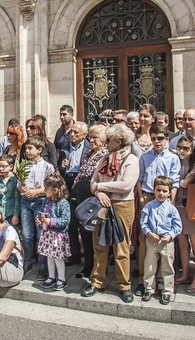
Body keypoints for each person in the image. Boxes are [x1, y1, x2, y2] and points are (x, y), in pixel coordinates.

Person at [81, 124, 139, 303]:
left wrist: (100, 187)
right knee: (99, 244)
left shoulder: (131, 159)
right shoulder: (105, 157)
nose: (106, 143)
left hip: (122, 204)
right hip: (102, 204)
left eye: (109, 140)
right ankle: (97, 280)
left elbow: (125, 185)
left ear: (119, 142)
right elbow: (93, 180)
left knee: (121, 246)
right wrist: (98, 192)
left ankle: (124, 284)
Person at [134, 123, 180, 296]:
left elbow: (174, 181)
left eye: (160, 138)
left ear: (166, 139)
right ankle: (143, 279)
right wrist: (141, 197)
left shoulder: (173, 158)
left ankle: (161, 279)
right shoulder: (145, 157)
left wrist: (171, 200)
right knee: (145, 238)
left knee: (163, 239)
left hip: (165, 198)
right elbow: (140, 178)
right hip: (148, 196)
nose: (156, 142)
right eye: (153, 138)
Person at [72, 124, 108, 279]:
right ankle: (88, 265)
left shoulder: (105, 155)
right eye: (90, 137)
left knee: (96, 234)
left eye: (95, 137)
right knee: (84, 233)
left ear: (104, 139)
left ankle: (99, 269)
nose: (92, 140)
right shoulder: (87, 154)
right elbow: (81, 173)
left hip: (96, 197)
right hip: (83, 197)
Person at [140, 176, 182, 304]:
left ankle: (167, 290)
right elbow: (143, 222)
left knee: (167, 266)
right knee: (150, 265)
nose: (161, 193)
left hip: (166, 241)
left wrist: (170, 235)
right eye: (158, 190)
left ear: (169, 192)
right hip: (152, 240)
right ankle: (149, 288)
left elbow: (178, 226)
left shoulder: (171, 209)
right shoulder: (149, 206)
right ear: (154, 190)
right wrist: (149, 233)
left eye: (164, 191)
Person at [19, 136, 55, 280]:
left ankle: (42, 266)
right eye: (26, 148)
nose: (27, 151)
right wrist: (22, 188)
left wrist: (37, 191)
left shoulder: (48, 167)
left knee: (41, 235)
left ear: (39, 150)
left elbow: (51, 187)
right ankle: (27, 261)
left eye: (30, 148)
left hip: (41, 202)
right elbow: (19, 185)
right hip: (25, 202)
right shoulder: (24, 165)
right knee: (27, 235)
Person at [57, 122, 90, 266]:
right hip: (68, 185)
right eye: (71, 132)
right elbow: (59, 170)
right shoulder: (65, 148)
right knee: (71, 224)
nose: (73, 135)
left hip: (83, 187)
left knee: (85, 226)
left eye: (76, 133)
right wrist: (61, 166)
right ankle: (74, 255)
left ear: (84, 135)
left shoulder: (89, 148)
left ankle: (89, 259)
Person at [175, 135, 195, 293]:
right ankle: (185, 274)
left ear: (192, 149)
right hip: (178, 207)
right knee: (182, 243)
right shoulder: (175, 161)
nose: (181, 150)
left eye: (185, 148)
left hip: (193, 206)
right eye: (179, 147)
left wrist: (179, 182)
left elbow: (185, 182)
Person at [36, 172, 71, 291]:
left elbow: (65, 220)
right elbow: (42, 212)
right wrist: (39, 219)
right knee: (49, 256)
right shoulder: (46, 201)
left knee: (57, 258)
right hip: (48, 234)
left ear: (55, 190)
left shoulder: (63, 203)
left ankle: (61, 278)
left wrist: (51, 221)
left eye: (46, 188)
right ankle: (51, 277)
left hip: (58, 236)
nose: (44, 190)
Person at [0, 155, 21, 225]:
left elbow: (17, 199)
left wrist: (16, 215)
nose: (1, 168)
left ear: (11, 166)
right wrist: (1, 191)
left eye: (3, 166)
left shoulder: (15, 180)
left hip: (10, 212)